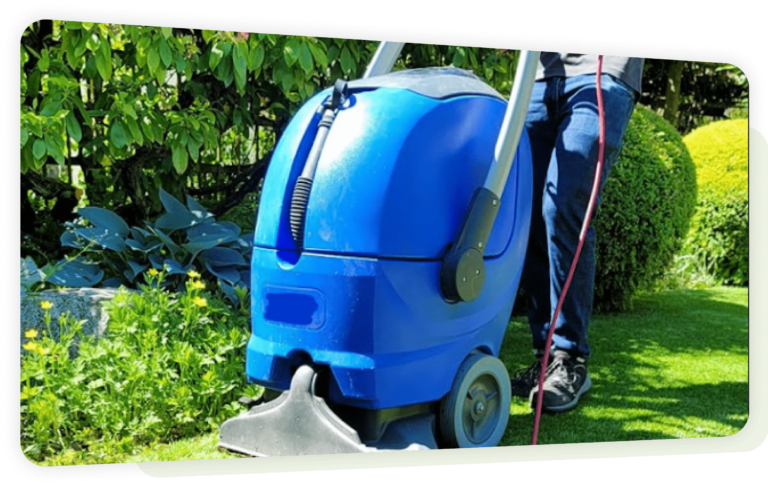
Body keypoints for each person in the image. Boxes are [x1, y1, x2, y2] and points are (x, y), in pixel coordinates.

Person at [510, 52, 644, 413]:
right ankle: (545, 356)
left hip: (601, 73)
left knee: (564, 206)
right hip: (538, 77)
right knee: (528, 213)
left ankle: (570, 358)